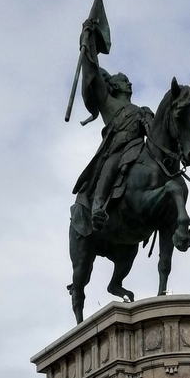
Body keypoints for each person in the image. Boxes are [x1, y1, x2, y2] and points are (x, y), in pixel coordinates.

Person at [73, 18, 154, 229]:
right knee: (111, 164)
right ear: (113, 86)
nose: (128, 82)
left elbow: (155, 136)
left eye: (127, 79)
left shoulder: (142, 110)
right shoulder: (108, 102)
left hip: (140, 150)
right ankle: (98, 205)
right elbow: (91, 67)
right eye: (123, 79)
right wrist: (88, 37)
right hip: (117, 149)